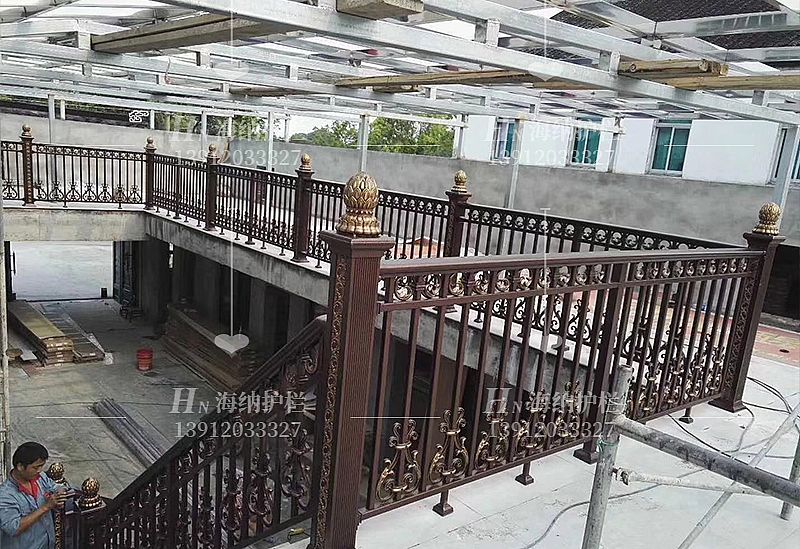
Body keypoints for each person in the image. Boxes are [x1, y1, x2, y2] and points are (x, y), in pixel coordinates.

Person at [0, 442, 67, 549]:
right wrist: (46, 507)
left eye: (41, 466)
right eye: (36, 467)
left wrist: (59, 494)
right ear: (20, 467)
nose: (39, 470)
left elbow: (56, 487)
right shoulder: (5, 495)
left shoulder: (40, 478)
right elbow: (14, 528)